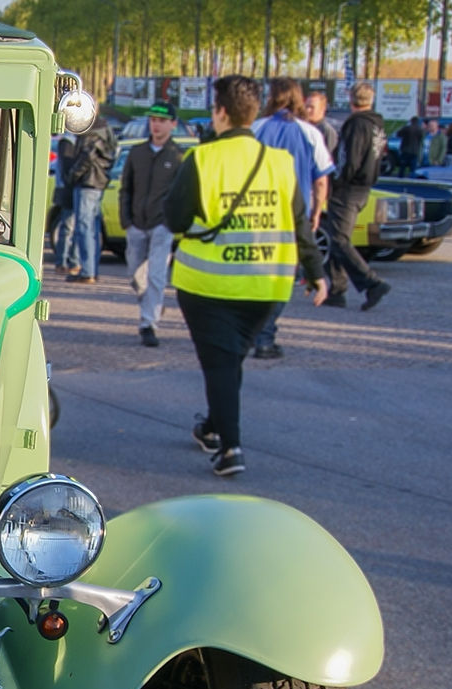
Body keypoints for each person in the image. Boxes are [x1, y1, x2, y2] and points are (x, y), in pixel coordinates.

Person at [165, 75, 327, 477]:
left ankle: (230, 448)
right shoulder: (280, 163)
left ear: (220, 112)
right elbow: (300, 225)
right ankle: (212, 426)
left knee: (220, 364)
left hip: (208, 286)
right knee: (229, 360)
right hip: (267, 286)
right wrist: (318, 274)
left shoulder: (202, 160)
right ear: (253, 113)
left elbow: (174, 219)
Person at [250, 78, 334, 359]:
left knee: (255, 274)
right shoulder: (310, 133)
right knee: (284, 276)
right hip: (293, 212)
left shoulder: (257, 128)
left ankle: (254, 330)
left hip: (258, 210)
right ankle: (265, 334)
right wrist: (316, 211)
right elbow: (321, 179)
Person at [117, 101, 185, 347]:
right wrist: (126, 221)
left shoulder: (177, 156)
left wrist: (170, 223)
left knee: (156, 275)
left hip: (161, 226)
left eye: (162, 121)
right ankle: (152, 304)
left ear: (172, 124)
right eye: (153, 120)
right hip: (136, 224)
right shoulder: (137, 153)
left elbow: (180, 194)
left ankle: (148, 324)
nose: (156, 125)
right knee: (135, 275)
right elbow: (126, 188)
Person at [321, 81, 391, 311]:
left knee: (340, 240)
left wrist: (336, 181)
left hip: (348, 188)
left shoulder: (355, 125)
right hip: (364, 188)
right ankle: (337, 290)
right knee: (337, 236)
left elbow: (348, 159)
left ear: (350, 100)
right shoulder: (377, 126)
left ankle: (371, 282)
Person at [65, 116, 117, 283]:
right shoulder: (105, 130)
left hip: (87, 182)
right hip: (98, 182)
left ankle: (87, 271)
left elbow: (86, 157)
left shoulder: (91, 133)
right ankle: (91, 269)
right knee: (92, 229)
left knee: (84, 228)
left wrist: (73, 175)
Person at [51, 133, 79, 273]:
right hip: (68, 190)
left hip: (67, 189)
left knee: (69, 228)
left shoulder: (68, 141)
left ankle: (66, 261)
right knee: (68, 228)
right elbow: (67, 167)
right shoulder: (68, 142)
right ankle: (62, 262)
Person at [302, 91, 339, 157]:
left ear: (322, 109)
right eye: (306, 106)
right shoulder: (302, 127)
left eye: (311, 107)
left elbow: (329, 157)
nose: (308, 110)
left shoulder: (327, 131)